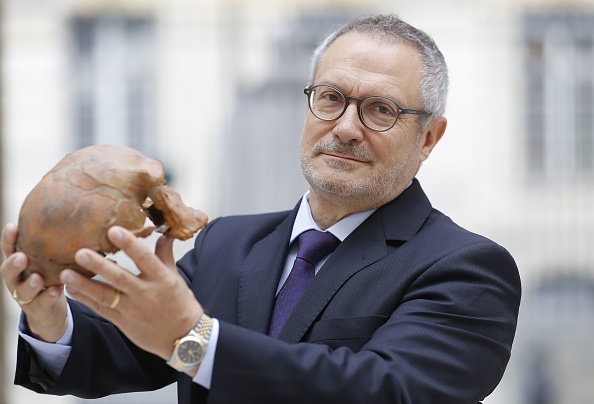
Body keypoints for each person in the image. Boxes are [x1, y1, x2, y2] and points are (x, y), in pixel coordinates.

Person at [1, 14, 521, 404]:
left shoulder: (467, 269)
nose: (344, 127)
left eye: (380, 109)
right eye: (331, 97)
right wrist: (52, 318)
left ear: (429, 136)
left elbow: (384, 392)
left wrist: (196, 341)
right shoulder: (227, 243)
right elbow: (128, 351)